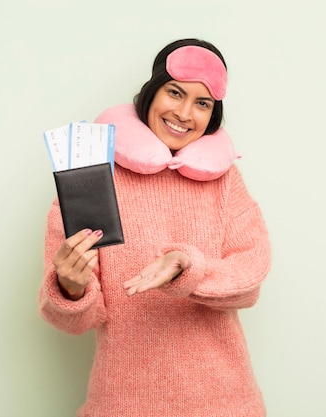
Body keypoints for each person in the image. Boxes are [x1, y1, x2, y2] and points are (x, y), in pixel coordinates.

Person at [38, 38, 272, 417]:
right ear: (151, 93)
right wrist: (71, 286)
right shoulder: (90, 176)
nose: (183, 112)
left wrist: (187, 267)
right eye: (174, 93)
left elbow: (250, 277)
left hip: (224, 402)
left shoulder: (226, 180)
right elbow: (74, 320)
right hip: (123, 403)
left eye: (202, 103)